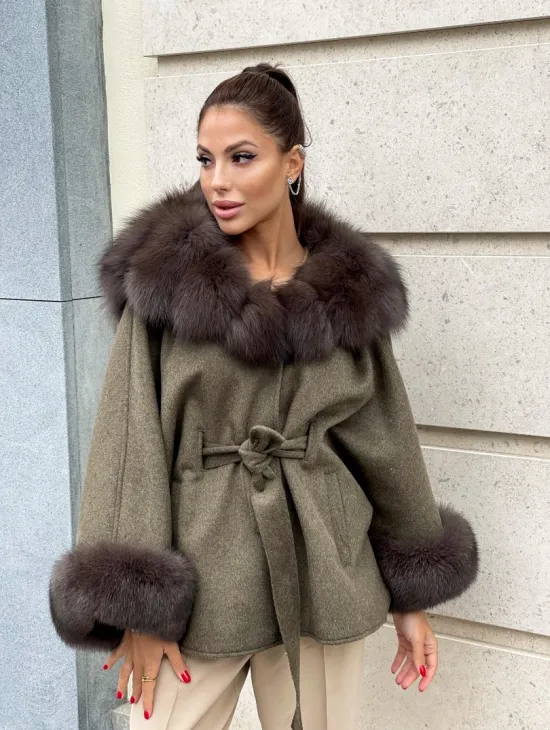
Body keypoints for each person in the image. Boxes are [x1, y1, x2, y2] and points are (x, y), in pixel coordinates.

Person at [48, 62, 479, 730]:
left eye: (242, 157)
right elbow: (129, 443)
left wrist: (411, 597)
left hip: (324, 572)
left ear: (292, 163)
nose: (217, 181)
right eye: (206, 159)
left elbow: (386, 444)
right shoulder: (165, 285)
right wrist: (137, 609)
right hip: (202, 578)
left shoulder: (349, 297)